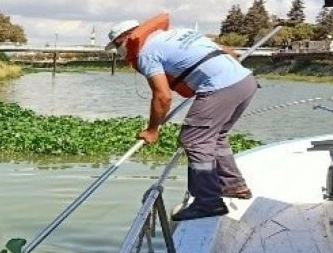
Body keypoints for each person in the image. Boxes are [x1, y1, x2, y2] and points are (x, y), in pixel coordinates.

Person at [105, 12, 257, 221]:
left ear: (122, 40)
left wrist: (152, 130)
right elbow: (228, 52)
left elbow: (163, 96)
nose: (120, 53)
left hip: (221, 87)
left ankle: (208, 202)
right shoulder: (179, 33)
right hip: (245, 80)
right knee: (217, 135)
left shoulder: (146, 53)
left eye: (116, 46)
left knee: (193, 140)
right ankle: (233, 186)